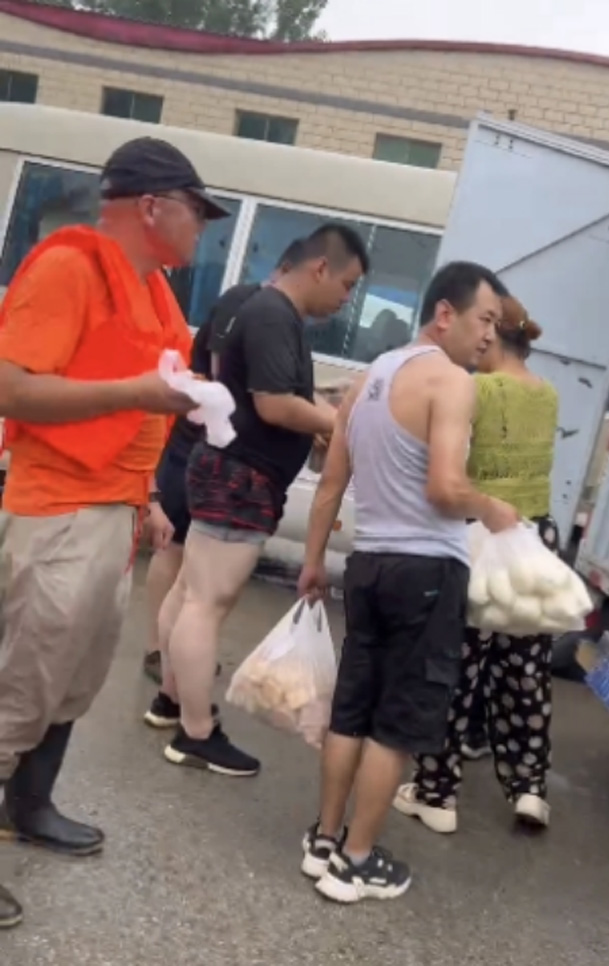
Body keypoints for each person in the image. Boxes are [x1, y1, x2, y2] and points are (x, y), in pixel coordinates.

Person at [0, 136, 227, 929]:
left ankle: (30, 806)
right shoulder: (70, 268)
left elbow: (140, 411)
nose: (203, 226)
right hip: (58, 512)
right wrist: (135, 392)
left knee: (73, 682)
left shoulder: (154, 290)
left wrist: (148, 494)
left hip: (113, 510)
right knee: (20, 687)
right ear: (152, 206)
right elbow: (11, 389)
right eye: (196, 210)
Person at [297, 262, 519, 905]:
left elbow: (331, 483)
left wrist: (314, 560)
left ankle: (324, 840)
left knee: (352, 712)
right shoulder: (450, 381)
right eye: (484, 320)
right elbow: (445, 489)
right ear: (445, 314)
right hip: (426, 570)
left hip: (368, 564)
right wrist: (492, 507)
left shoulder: (368, 377)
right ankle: (356, 862)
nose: (490, 336)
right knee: (395, 724)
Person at [148, 223, 370, 777]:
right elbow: (273, 404)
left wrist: (319, 411)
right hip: (240, 476)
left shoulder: (273, 313)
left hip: (227, 469)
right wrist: (341, 424)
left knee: (190, 592)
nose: (346, 299)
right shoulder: (273, 315)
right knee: (206, 602)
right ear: (320, 268)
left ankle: (172, 699)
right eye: (347, 285)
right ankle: (196, 733)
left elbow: (279, 396)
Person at [394, 294, 560, 834]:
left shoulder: (478, 389)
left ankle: (436, 793)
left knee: (456, 669)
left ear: (494, 336)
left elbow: (451, 464)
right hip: (537, 539)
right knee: (525, 670)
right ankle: (530, 788)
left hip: (484, 540)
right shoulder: (548, 394)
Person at [142, 239, 306, 688]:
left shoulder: (273, 313)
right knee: (177, 553)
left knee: (196, 574)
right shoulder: (247, 303)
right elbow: (221, 375)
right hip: (199, 442)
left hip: (216, 446)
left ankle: (179, 659)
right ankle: (159, 650)